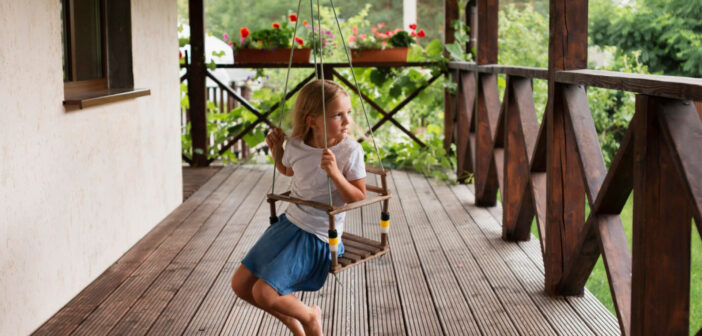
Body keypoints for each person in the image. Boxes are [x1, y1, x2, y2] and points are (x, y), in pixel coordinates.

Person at [231, 79, 366, 336]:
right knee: (240, 285)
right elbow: (289, 170)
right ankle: (298, 328)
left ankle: (311, 316)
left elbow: (358, 196)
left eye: (348, 112)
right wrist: (276, 151)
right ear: (311, 120)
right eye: (338, 115)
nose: (347, 121)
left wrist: (336, 174)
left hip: (319, 236)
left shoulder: (350, 150)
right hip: (289, 225)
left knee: (263, 291)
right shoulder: (296, 145)